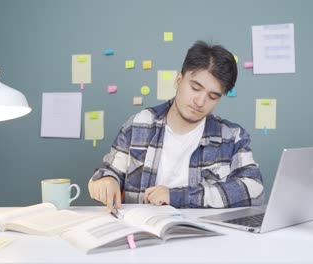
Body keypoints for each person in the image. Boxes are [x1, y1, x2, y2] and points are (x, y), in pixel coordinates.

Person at [88, 40, 264, 211]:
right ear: (178, 80)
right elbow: (109, 171)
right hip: (143, 234)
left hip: (204, 237)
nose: (200, 101)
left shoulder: (232, 137)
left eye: (212, 96)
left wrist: (178, 197)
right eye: (195, 88)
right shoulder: (138, 125)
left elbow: (254, 190)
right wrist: (107, 180)